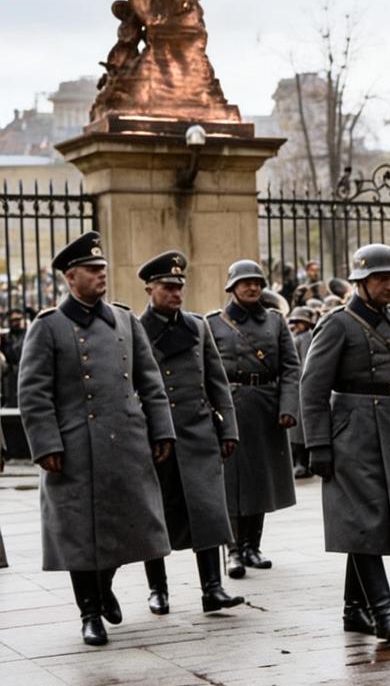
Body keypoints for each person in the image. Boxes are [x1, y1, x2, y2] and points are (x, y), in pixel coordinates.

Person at [18, 231, 175, 646]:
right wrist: (46, 445)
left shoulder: (124, 320)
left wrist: (161, 430)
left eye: (103, 268)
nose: (101, 275)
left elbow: (150, 382)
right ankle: (90, 611)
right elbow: (33, 393)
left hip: (125, 441)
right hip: (73, 448)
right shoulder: (48, 326)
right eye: (91, 270)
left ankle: (103, 586)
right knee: (78, 532)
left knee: (130, 525)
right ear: (71, 277)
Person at [301, 243, 390, 640]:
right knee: (362, 519)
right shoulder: (338, 324)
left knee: (374, 520)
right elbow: (312, 386)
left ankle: (353, 609)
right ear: (361, 281)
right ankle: (384, 610)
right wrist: (318, 444)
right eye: (382, 278)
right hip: (352, 431)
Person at [136, 251, 245, 615]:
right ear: (150, 288)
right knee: (157, 514)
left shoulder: (197, 327)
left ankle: (212, 589)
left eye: (179, 287)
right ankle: (158, 590)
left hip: (199, 433)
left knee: (209, 511)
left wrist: (228, 427)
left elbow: (217, 381)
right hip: (157, 437)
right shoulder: (135, 330)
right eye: (168, 287)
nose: (176, 294)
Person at [208, 260, 301, 579]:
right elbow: (206, 371)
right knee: (231, 480)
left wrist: (288, 406)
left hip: (265, 406)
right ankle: (232, 549)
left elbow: (291, 367)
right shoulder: (213, 323)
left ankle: (252, 546)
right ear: (231, 287)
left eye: (257, 283)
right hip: (230, 406)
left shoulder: (275, 321)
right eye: (245, 283)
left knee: (260, 479)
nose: (252, 288)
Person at [287, 306, 318, 478]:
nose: (297, 325)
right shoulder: (298, 336)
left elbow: (305, 361)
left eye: (300, 322)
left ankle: (302, 464)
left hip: (300, 384)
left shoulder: (306, 337)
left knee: (299, 430)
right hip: (295, 384)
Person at [1, 308, 26, 406]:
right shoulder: (5, 338)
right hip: (10, 375)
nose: (17, 322)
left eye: (19, 319)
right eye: (14, 320)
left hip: (26, 371)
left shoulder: (29, 335)